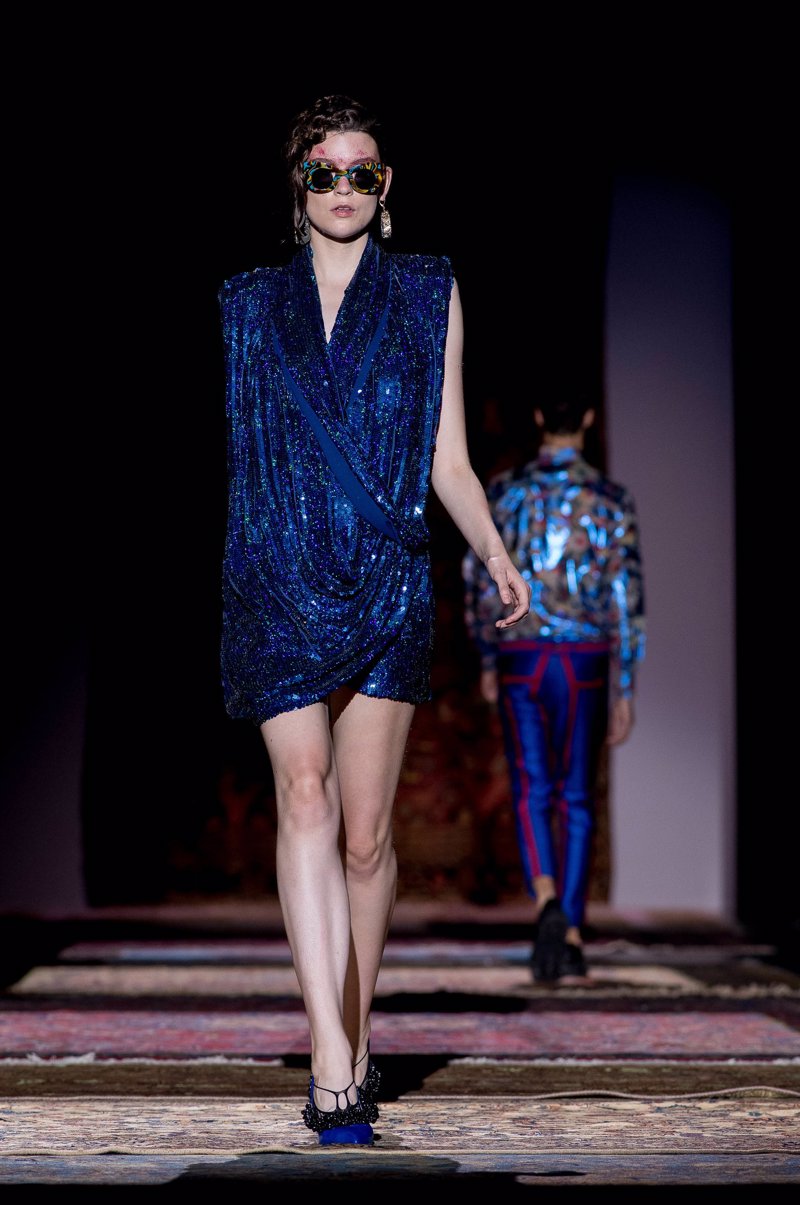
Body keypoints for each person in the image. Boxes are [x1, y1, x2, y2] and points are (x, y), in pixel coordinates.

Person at [218, 95, 531, 1146]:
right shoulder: (246, 304)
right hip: (275, 578)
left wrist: (494, 554)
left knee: (366, 837)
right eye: (324, 171)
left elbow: (446, 458)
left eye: (362, 172)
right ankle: (330, 1058)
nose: (344, 188)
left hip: (386, 579)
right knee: (301, 792)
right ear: (296, 183)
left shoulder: (429, 291)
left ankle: (354, 1027)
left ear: (385, 185)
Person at [462, 392, 645, 984]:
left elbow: (479, 580)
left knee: (531, 785)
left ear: (538, 416)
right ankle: (569, 930)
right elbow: (626, 597)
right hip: (585, 660)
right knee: (577, 794)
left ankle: (545, 899)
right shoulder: (611, 499)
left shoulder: (503, 493)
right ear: (588, 419)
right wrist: (625, 685)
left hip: (521, 653)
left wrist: (488, 656)